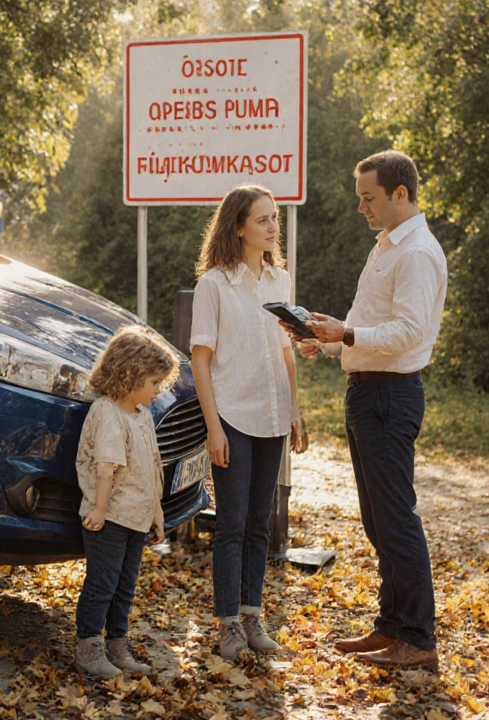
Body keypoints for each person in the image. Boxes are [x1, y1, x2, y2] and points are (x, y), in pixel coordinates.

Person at [293, 150, 447, 669]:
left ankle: (419, 639)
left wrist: (349, 333)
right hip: (366, 390)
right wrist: (332, 342)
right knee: (378, 520)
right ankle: (390, 627)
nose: (362, 207)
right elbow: (374, 329)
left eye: (368, 198)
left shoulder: (417, 253)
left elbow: (408, 332)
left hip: (389, 396)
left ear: (399, 194)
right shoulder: (385, 246)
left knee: (396, 519)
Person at [190, 185, 307, 662]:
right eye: (263, 220)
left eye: (275, 219)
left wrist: (295, 407)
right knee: (232, 525)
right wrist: (213, 428)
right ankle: (227, 624)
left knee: (261, 523)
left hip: (273, 414)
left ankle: (252, 614)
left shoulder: (279, 281)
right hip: (233, 416)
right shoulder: (214, 284)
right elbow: (200, 361)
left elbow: (286, 350)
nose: (272, 227)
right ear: (238, 225)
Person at [74, 326, 180, 678]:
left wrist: (157, 514)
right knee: (102, 584)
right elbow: (107, 467)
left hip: (136, 517)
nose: (158, 391)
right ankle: (89, 648)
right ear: (130, 375)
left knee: (125, 585)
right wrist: (100, 510)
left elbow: (152, 466)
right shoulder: (107, 413)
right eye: (154, 383)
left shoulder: (142, 415)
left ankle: (117, 646)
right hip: (110, 518)